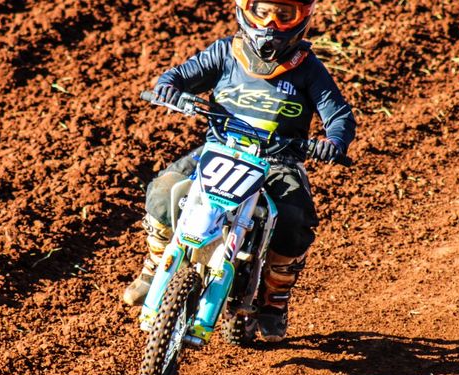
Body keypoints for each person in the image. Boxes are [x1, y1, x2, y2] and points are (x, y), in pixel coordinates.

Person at [123, 0, 357, 342]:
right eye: (263, 11)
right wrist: (169, 88)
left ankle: (274, 299)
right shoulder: (226, 52)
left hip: (278, 160)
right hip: (218, 149)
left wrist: (333, 141)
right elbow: (180, 75)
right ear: (244, 9)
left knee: (294, 220)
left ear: (303, 19)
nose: (271, 23)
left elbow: (338, 114)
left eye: (284, 14)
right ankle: (155, 264)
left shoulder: (308, 68)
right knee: (163, 191)